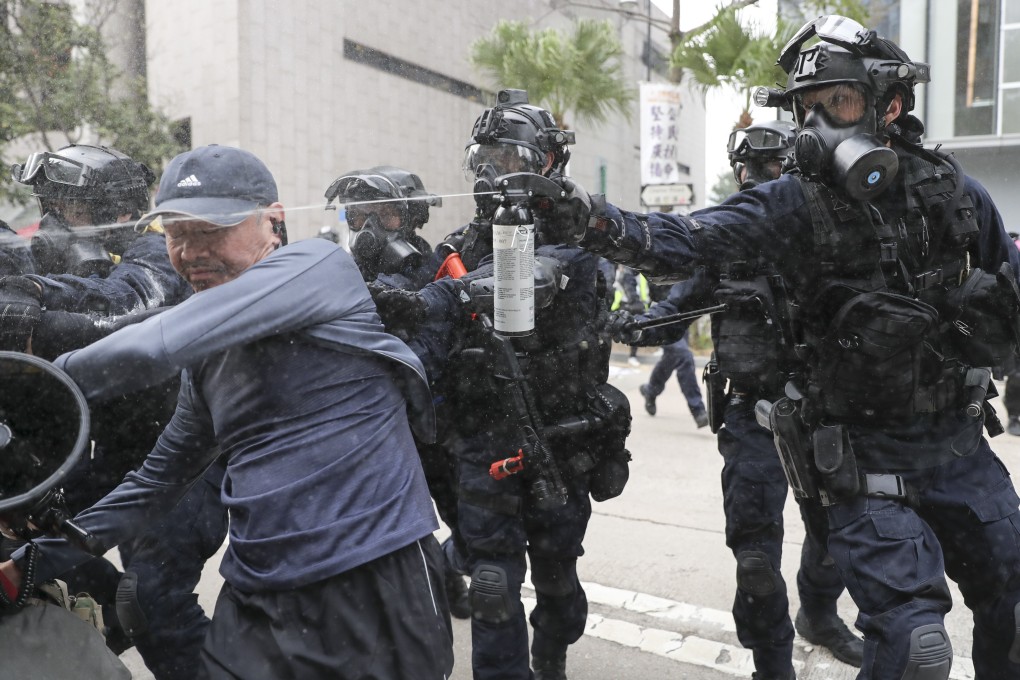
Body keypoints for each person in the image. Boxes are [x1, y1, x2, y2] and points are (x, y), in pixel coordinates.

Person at [532, 15, 1020, 679]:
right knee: (916, 649)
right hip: (862, 460)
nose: (819, 125)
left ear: (891, 107)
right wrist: (585, 215)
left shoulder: (959, 197)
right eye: (807, 111)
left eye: (838, 105)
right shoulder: (793, 204)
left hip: (961, 448)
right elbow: (685, 240)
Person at [1, 144, 454, 680]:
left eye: (210, 230)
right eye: (176, 233)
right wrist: (35, 561)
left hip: (374, 577)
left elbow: (155, 345)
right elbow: (159, 480)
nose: (191, 252)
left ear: (274, 222)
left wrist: (33, 372)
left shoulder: (320, 268)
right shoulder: (207, 358)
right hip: (258, 593)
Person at [378, 90, 628, 680]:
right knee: (492, 586)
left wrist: (441, 296)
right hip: (484, 442)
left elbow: (534, 279)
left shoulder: (579, 235)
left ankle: (552, 658)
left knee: (559, 583)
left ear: (546, 164)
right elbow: (427, 343)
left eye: (510, 156)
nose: (494, 172)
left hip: (560, 443)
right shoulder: (460, 246)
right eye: (483, 157)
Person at [611, 119, 863, 679]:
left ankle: (819, 617)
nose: (762, 179)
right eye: (754, 169)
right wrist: (620, 326)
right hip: (753, 415)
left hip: (826, 412)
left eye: (775, 168)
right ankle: (772, 666)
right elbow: (672, 313)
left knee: (837, 540)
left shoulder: (830, 234)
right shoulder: (727, 242)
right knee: (755, 561)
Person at [2, 143, 225, 680]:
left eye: (71, 209)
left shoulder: (159, 251)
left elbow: (129, 302)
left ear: (119, 211)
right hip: (94, 454)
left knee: (153, 597)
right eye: (49, 202)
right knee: (27, 561)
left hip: (174, 458)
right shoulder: (42, 250)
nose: (56, 219)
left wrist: (35, 293)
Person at [325, 165, 470, 619]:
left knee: (473, 531)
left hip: (434, 429)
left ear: (410, 217)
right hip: (373, 434)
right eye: (356, 215)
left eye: (381, 214)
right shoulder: (336, 272)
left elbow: (428, 351)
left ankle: (450, 574)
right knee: (390, 539)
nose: (365, 227)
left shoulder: (438, 270)